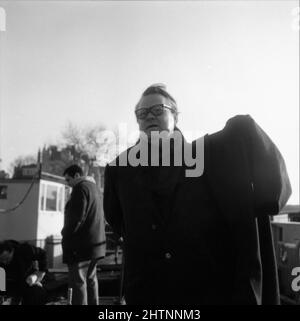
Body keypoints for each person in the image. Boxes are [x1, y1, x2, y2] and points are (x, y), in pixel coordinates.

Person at [103, 84, 292, 305]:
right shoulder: (120, 170)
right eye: (141, 113)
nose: (148, 117)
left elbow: (245, 133)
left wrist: (267, 199)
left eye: (157, 110)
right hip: (147, 291)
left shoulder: (206, 157)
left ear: (175, 116)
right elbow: (118, 220)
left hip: (204, 289)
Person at [61, 164, 106, 305]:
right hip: (96, 245)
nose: (68, 184)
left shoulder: (80, 188)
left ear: (76, 176)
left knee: (78, 282)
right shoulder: (95, 188)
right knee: (91, 279)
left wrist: (65, 233)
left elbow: (76, 218)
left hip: (80, 247)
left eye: (68, 180)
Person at [0, 240, 48, 305]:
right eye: (2, 260)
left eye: (7, 259)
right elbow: (1, 281)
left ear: (12, 251)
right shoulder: (2, 262)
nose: (5, 262)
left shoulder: (24, 249)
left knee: (36, 292)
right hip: (11, 282)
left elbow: (42, 253)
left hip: (28, 280)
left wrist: (41, 272)